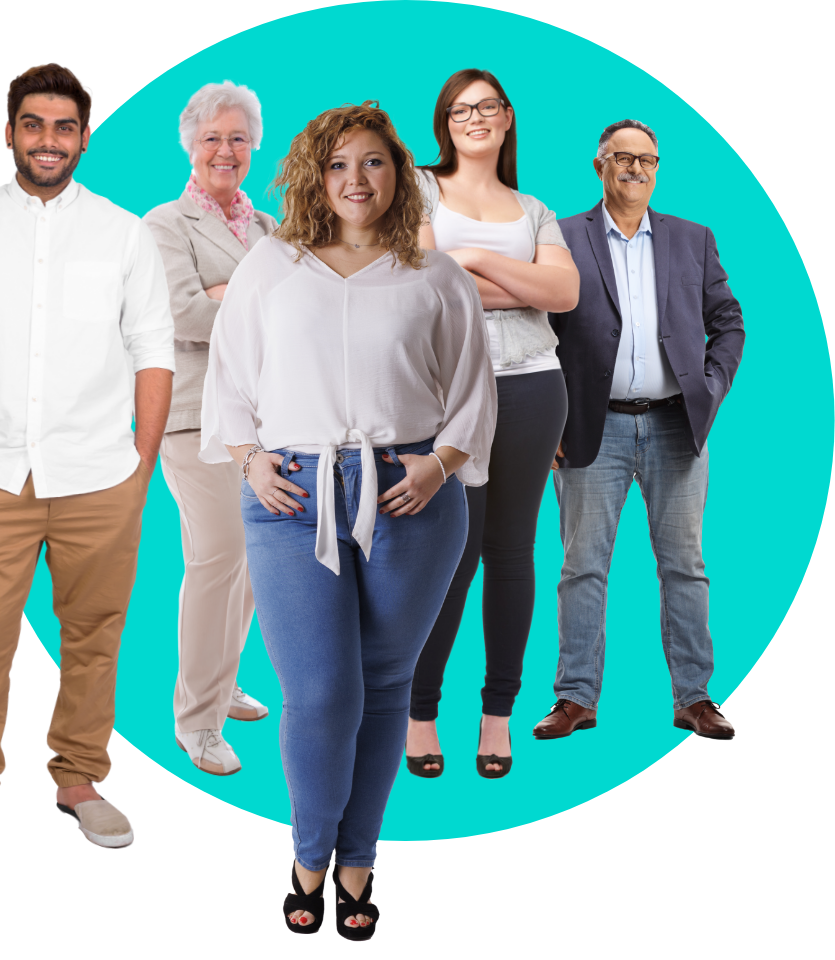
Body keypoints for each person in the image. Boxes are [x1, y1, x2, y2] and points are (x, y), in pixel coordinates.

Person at [198, 102, 495, 939]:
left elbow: (474, 389)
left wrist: (441, 464)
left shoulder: (433, 276)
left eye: (372, 163)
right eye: (336, 165)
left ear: (399, 175)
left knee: (385, 688)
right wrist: (250, 460)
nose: (354, 180)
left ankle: (358, 862)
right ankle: (308, 855)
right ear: (312, 178)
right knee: (320, 692)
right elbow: (230, 376)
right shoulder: (271, 265)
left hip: (412, 492)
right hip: (293, 494)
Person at [0, 62, 175, 878]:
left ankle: (80, 781)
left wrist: (142, 465)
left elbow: (153, 353)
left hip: (101, 473)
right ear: (9, 133)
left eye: (64, 127)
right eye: (34, 125)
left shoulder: (125, 234)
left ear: (85, 136)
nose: (49, 141)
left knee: (95, 636)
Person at [537, 119, 744, 741]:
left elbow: (728, 320)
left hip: (676, 423)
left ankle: (695, 697)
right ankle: (575, 698)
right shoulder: (561, 237)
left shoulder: (693, 239)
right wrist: (546, 420)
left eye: (647, 159)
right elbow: (533, 332)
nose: (635, 169)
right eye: (622, 158)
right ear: (599, 165)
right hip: (587, 428)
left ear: (658, 168)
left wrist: (710, 384)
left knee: (685, 565)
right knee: (581, 567)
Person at [406, 69, 579, 778]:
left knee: (512, 553)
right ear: (444, 122)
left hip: (536, 388)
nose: (473, 118)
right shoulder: (418, 187)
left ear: (507, 119)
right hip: (447, 393)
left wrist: (471, 258)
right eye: (458, 109)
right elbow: (416, 277)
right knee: (450, 553)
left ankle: (497, 716)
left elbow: (564, 293)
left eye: (487, 107)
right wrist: (515, 278)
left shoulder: (535, 208)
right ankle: (420, 712)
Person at [143, 82, 277, 777]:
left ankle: (222, 687)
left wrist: (229, 295)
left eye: (238, 138)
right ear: (190, 146)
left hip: (264, 418)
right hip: (195, 418)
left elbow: (298, 312)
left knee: (254, 561)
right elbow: (181, 317)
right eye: (212, 138)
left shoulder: (265, 229)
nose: (225, 150)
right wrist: (246, 302)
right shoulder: (163, 225)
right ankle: (195, 721)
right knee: (216, 557)